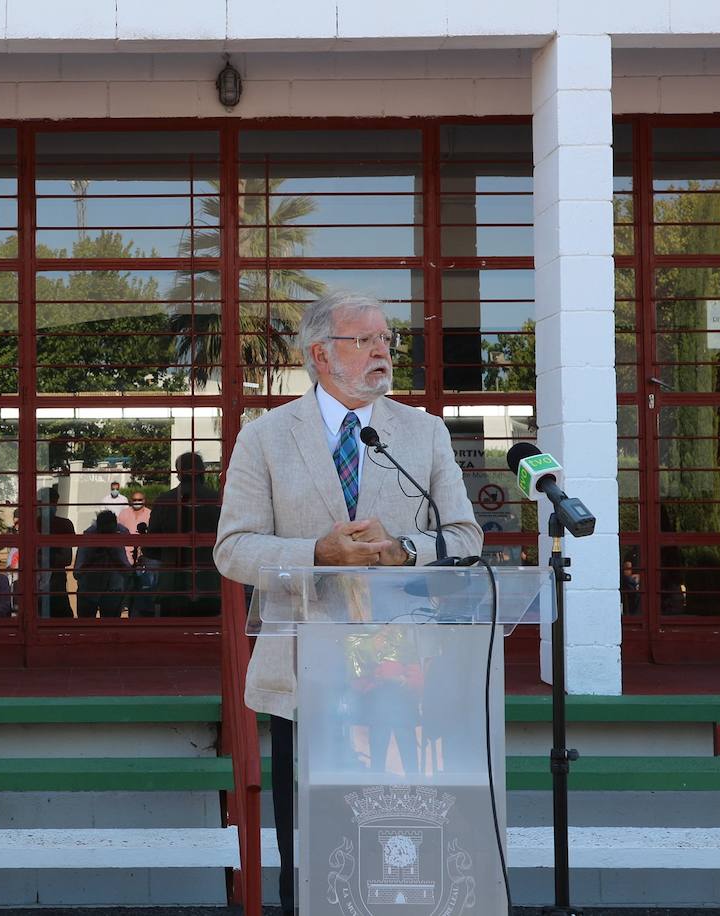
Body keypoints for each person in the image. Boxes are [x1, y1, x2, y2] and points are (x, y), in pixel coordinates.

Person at [213, 289, 482, 915]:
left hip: (405, 674)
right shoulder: (266, 438)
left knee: (397, 842)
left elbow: (466, 537)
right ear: (321, 354)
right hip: (304, 673)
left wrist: (405, 551)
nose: (383, 351)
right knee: (309, 851)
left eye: (386, 339)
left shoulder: (424, 433)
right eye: (365, 341)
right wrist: (316, 553)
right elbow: (233, 550)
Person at [144, 453, 221, 616]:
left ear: (178, 473)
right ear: (203, 471)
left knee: (171, 635)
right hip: (210, 582)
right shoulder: (218, 500)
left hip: (172, 584)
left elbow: (150, 546)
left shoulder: (164, 501)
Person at [74, 510, 131, 618]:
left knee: (110, 629)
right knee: (85, 627)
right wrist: (94, 556)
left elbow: (127, 572)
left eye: (110, 533)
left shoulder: (117, 542)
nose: (107, 537)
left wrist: (114, 556)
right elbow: (77, 573)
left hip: (112, 591)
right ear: (98, 529)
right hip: (89, 590)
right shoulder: (87, 542)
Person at [37, 486, 76, 618]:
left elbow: (66, 559)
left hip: (55, 581)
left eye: (53, 502)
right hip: (41, 580)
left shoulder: (64, 525)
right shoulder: (32, 524)